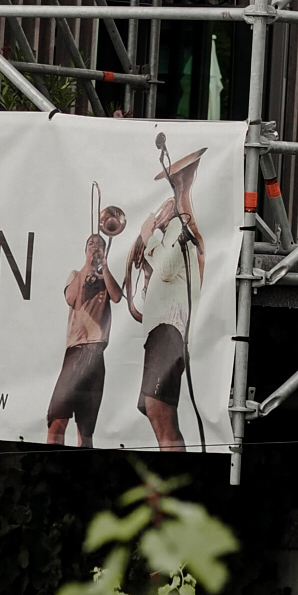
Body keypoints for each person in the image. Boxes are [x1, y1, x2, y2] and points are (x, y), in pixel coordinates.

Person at [124, 144, 206, 452]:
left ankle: (173, 487)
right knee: (153, 409)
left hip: (168, 328)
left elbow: (167, 268)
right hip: (159, 327)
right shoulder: (173, 226)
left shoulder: (177, 226)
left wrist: (149, 237)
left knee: (159, 411)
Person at [46, 206, 124, 447]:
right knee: (57, 418)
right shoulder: (75, 274)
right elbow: (71, 298)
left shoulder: (106, 277)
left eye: (99, 244)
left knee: (86, 429)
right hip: (76, 349)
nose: (95, 246)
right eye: (91, 243)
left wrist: (105, 266)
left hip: (96, 351)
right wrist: (86, 266)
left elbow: (117, 296)